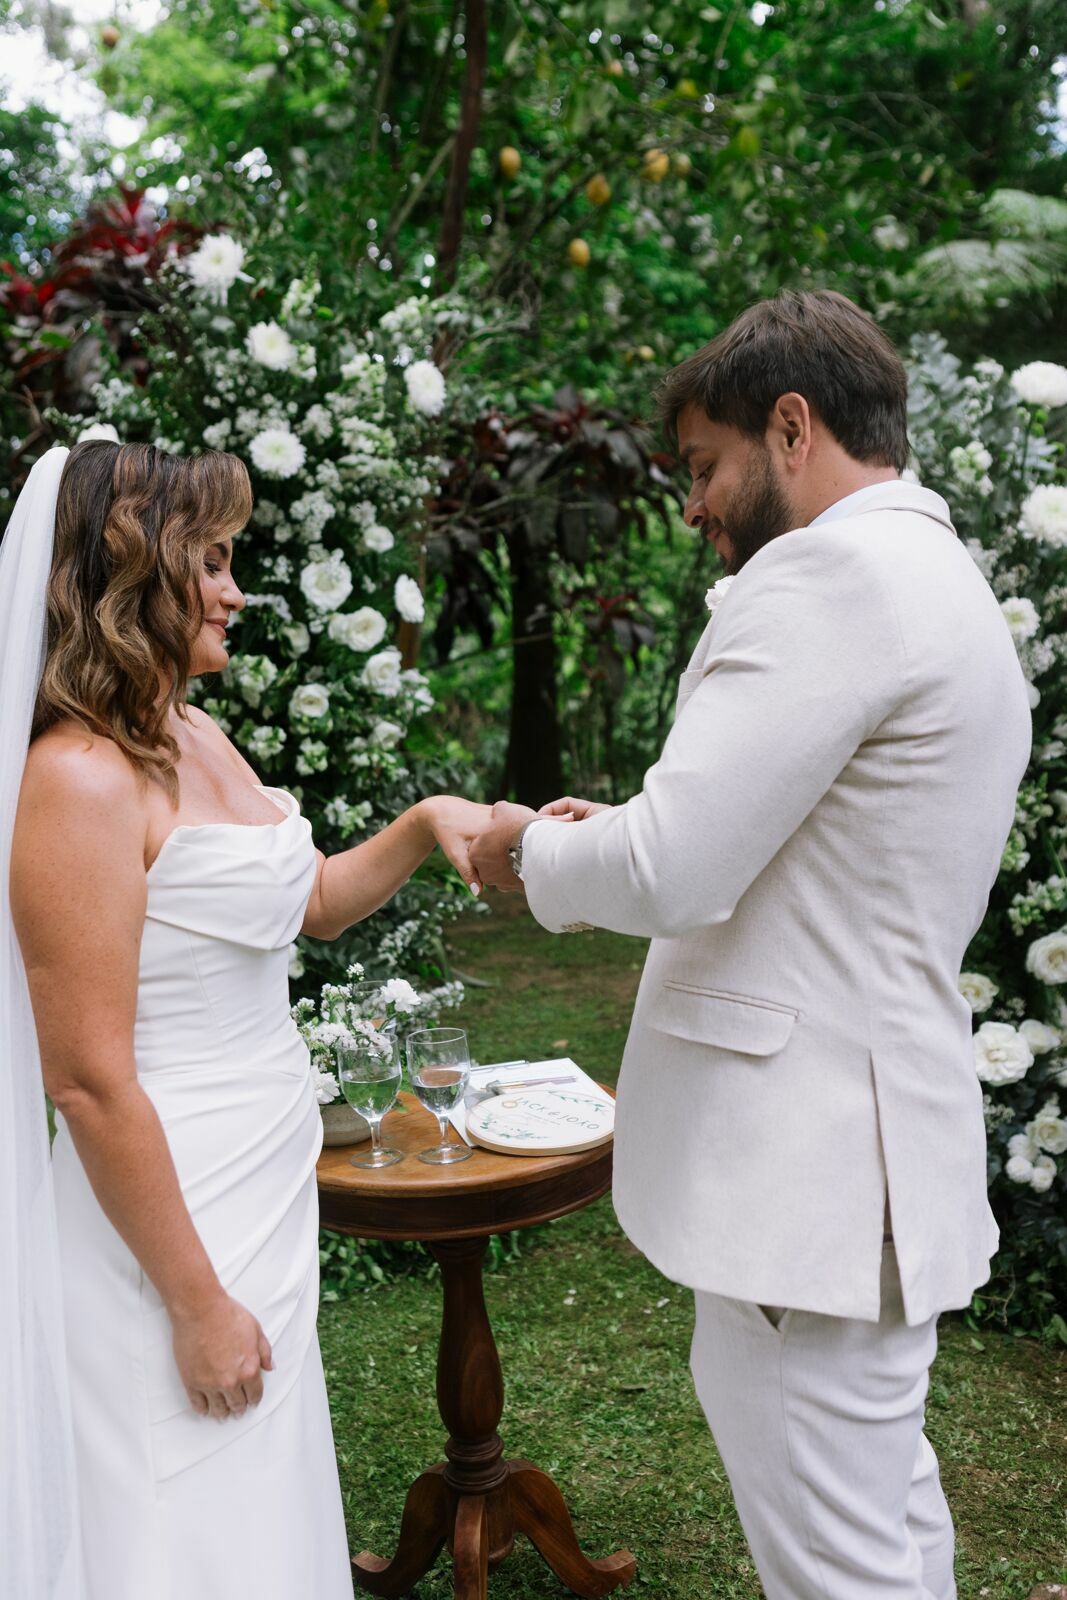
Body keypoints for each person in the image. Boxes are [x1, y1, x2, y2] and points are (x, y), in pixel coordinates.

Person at [470, 290, 1032, 1599]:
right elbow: (817, 846)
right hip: (861, 1162)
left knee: (838, 1571)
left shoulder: (830, 573)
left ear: (790, 428)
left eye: (701, 467)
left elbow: (672, 867)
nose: (691, 507)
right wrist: (628, 823)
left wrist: (524, 851)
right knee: (885, 1527)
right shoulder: (933, 574)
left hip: (813, 1180)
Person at [5, 439, 489, 1600]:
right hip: (168, 1224)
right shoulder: (76, 779)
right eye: (211, 562)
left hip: (257, 1199)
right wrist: (195, 1299)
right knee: (185, 1521)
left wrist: (422, 821)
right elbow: (85, 1079)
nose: (234, 588)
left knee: (258, 1487)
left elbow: (308, 901)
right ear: (133, 576)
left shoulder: (192, 734)